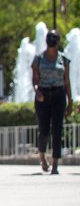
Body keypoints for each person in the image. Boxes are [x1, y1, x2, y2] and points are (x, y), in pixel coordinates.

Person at [32, 29, 72, 175]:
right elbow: (35, 78)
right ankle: (42, 156)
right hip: (43, 94)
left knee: (57, 129)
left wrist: (70, 101)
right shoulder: (38, 58)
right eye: (50, 37)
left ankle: (55, 163)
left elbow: (67, 81)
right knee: (44, 130)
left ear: (58, 41)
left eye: (54, 37)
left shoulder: (63, 59)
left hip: (59, 94)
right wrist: (36, 90)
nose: (52, 39)